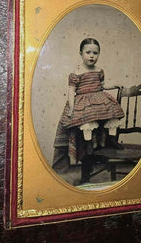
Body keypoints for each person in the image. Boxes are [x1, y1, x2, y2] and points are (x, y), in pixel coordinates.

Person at [52, 38, 124, 183]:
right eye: (88, 52)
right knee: (87, 120)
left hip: (99, 98)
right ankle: (88, 144)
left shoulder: (99, 71)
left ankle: (111, 140)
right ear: (81, 53)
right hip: (83, 101)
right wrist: (72, 110)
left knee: (112, 114)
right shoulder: (76, 73)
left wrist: (114, 85)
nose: (92, 56)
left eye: (95, 53)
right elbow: (71, 93)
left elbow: (103, 85)